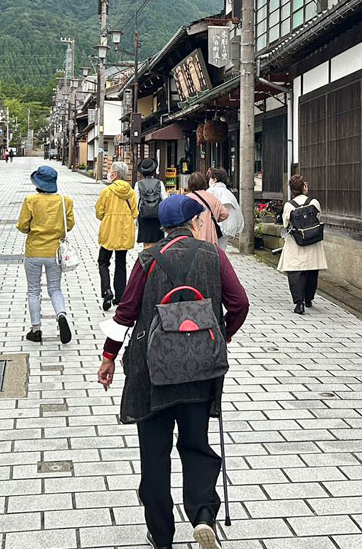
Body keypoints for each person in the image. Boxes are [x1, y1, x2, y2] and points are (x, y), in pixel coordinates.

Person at [97, 194, 250, 549]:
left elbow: (126, 313)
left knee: (155, 455)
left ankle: (162, 536)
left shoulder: (147, 259)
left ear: (163, 227)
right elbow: (240, 304)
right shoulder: (214, 255)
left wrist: (108, 357)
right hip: (200, 369)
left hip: (153, 372)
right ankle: (202, 516)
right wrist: (219, 337)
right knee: (196, 445)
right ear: (195, 223)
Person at [16, 165, 76, 344]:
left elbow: (22, 226)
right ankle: (61, 315)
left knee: (33, 290)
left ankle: (36, 330)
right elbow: (70, 225)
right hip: (55, 252)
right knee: (55, 288)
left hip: (34, 251)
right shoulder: (65, 201)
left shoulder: (30, 200)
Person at [277, 174, 328, 314]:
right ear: (303, 187)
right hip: (312, 241)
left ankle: (299, 303)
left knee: (295, 273)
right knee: (312, 270)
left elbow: (285, 224)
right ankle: (309, 299)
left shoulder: (289, 205)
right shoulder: (314, 202)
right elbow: (318, 218)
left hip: (296, 242)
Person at [95, 161, 139, 312]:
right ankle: (120, 296)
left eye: (111, 171)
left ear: (115, 174)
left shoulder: (107, 192)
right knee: (121, 263)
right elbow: (135, 213)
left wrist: (109, 217)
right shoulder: (131, 192)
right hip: (124, 231)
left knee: (103, 261)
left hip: (109, 231)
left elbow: (99, 212)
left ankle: (106, 290)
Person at [135, 157, 168, 249]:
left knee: (146, 244)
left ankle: (146, 260)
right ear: (153, 171)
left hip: (143, 216)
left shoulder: (138, 184)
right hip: (157, 216)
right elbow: (165, 199)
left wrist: (135, 220)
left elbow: (136, 201)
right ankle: (155, 262)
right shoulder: (159, 183)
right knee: (158, 243)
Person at [186, 172, 228, 245]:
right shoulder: (212, 197)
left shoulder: (186, 198)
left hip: (192, 234)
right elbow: (225, 214)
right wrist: (214, 217)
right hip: (209, 235)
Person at [207, 168, 243, 250]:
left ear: (214, 180)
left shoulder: (212, 191)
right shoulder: (229, 193)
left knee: (212, 253)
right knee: (220, 253)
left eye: (210, 179)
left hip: (217, 229)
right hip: (229, 229)